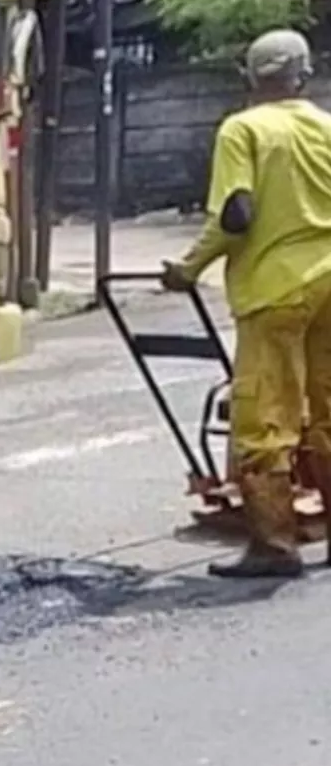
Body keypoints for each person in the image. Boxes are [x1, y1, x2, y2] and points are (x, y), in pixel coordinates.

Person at [161, 29, 331, 579]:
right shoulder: (327, 128)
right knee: (328, 410)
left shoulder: (244, 129)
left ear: (250, 78)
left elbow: (236, 214)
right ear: (303, 75)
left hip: (275, 292)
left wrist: (188, 269)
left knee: (264, 419)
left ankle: (274, 547)